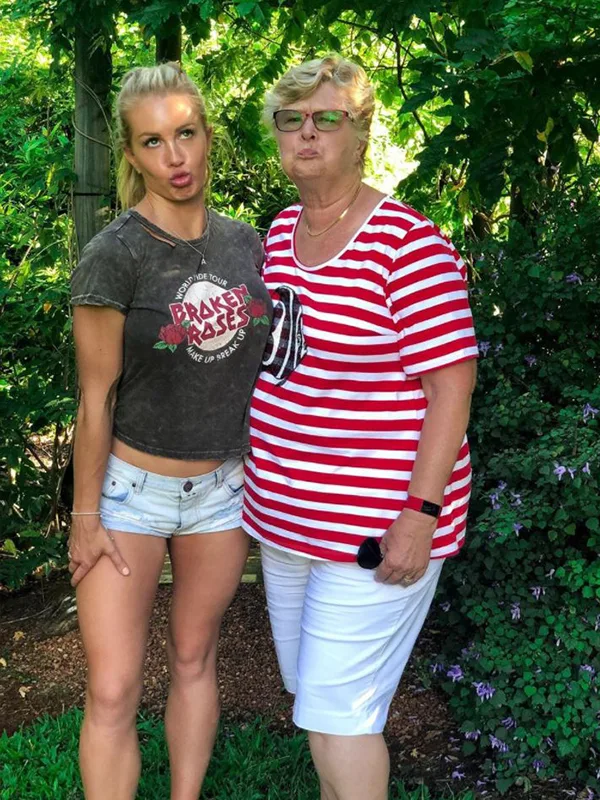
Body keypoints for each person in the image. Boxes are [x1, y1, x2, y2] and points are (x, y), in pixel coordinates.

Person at [242, 55, 478, 800]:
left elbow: (452, 387)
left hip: (376, 530)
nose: (307, 133)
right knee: (315, 702)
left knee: (338, 717)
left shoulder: (407, 244)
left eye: (327, 118)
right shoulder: (281, 232)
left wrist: (421, 514)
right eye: (291, 119)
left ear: (361, 133)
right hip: (287, 522)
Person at [69, 62, 271, 800]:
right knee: (114, 687)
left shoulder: (250, 246)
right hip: (130, 493)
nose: (175, 157)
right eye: (153, 142)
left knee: (194, 658)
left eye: (186, 134)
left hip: (223, 491)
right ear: (131, 154)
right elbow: (96, 398)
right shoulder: (114, 255)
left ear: (208, 136)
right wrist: (84, 518)